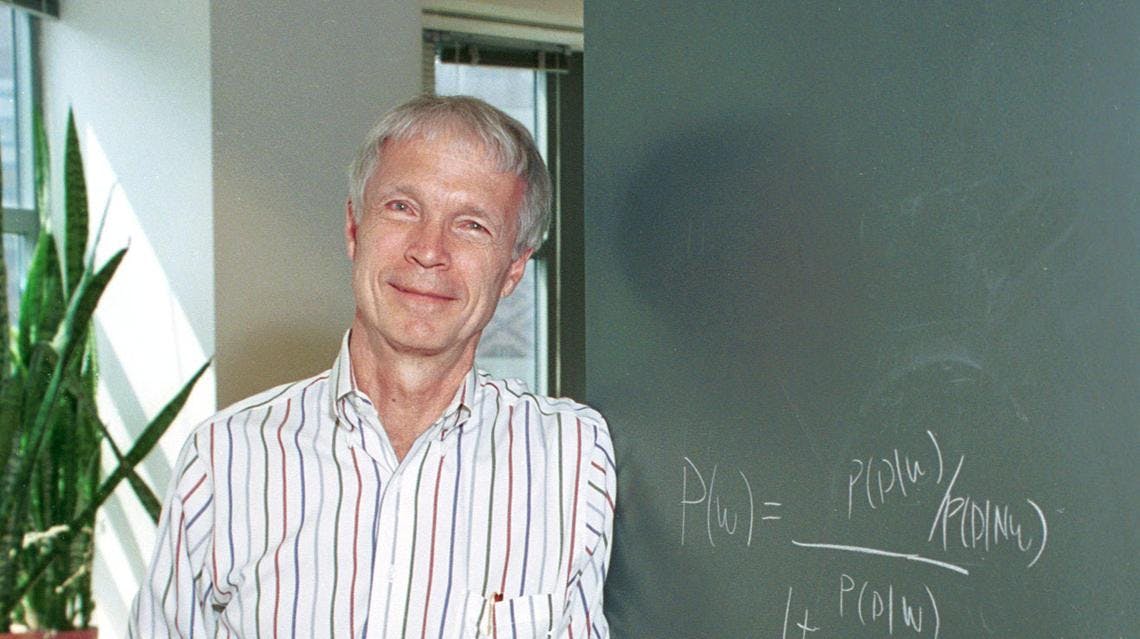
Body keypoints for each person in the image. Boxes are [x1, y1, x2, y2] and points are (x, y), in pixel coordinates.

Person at [129, 95, 615, 638]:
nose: (429, 251)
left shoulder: (575, 457)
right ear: (354, 228)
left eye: (473, 225)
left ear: (513, 270)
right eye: (402, 208)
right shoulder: (223, 459)